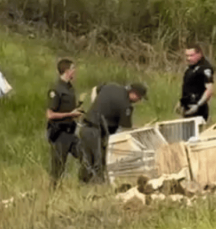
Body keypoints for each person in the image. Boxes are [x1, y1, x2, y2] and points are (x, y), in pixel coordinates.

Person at [78, 82, 147, 184]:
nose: (139, 101)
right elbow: (125, 130)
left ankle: (82, 185)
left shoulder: (111, 86)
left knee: (87, 161)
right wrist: (138, 129)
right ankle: (98, 188)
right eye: (139, 98)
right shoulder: (126, 105)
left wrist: (95, 107)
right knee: (98, 163)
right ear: (134, 94)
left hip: (85, 126)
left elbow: (95, 89)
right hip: (96, 131)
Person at [45, 58, 82, 188]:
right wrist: (70, 114)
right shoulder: (56, 89)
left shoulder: (70, 88)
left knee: (85, 155)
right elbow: (50, 114)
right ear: (67, 71)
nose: (75, 72)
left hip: (71, 132)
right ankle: (52, 193)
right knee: (58, 168)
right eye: (73, 69)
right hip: (59, 133)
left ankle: (86, 184)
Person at [178, 42, 215, 122]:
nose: (188, 58)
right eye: (187, 56)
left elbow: (209, 90)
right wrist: (180, 103)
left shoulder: (205, 68)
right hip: (187, 107)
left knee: (196, 133)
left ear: (199, 54)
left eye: (191, 55)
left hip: (198, 109)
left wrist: (198, 105)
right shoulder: (191, 68)